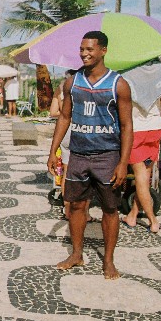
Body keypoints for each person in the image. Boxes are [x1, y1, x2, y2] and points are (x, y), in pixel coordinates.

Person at [47, 30, 133, 280]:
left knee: (109, 208)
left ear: (103, 50)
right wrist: (53, 151)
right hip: (79, 154)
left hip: (107, 155)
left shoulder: (118, 84)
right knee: (75, 205)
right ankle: (76, 254)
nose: (84, 53)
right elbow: (65, 116)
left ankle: (108, 261)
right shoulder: (73, 82)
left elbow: (127, 126)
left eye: (90, 49)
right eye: (82, 49)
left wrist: (123, 163)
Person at [121, 90, 161, 233]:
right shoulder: (159, 75)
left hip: (137, 129)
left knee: (141, 179)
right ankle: (132, 216)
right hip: (155, 128)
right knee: (144, 178)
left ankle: (153, 221)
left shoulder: (129, 75)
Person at [50, 69, 95, 223]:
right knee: (87, 172)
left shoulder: (62, 86)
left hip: (65, 131)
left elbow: (53, 112)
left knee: (68, 173)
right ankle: (85, 212)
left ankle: (67, 209)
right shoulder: (88, 86)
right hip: (82, 130)